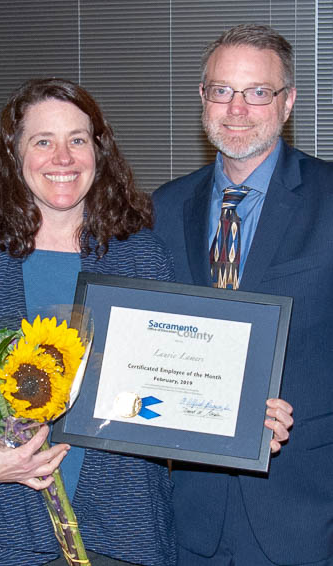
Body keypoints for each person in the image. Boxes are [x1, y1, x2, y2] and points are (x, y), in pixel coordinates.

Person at [0, 78, 177, 566]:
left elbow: (172, 377)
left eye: (78, 140)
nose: (63, 157)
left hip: (121, 531)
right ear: (14, 155)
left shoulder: (142, 255)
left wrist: (241, 414)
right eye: (44, 141)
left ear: (98, 153)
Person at [153, 24, 329, 566]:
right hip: (191, 515)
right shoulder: (162, 207)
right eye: (221, 90)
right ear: (203, 99)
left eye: (258, 92)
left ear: (288, 101)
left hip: (304, 507)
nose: (237, 108)